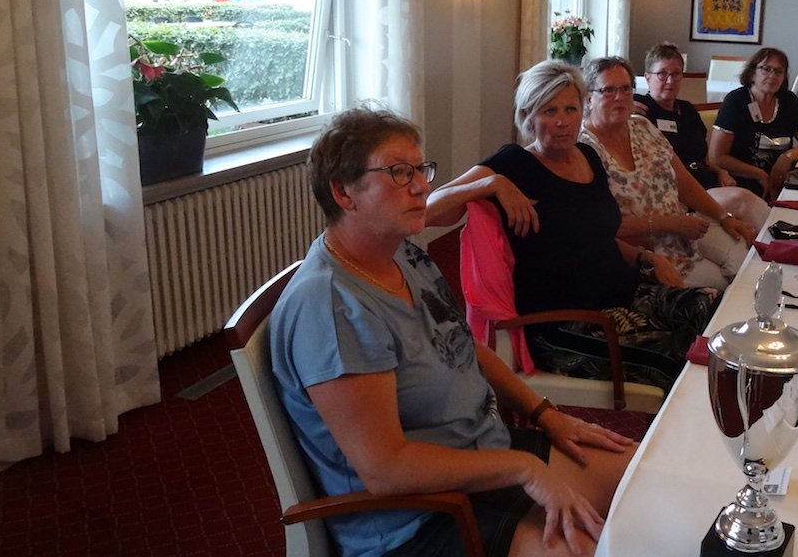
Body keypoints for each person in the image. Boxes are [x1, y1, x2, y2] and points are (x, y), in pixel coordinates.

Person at [268, 103, 636, 557]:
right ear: (344, 193)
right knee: (594, 548)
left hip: (480, 450)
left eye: (420, 169)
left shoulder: (401, 252)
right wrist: (523, 468)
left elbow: (462, 344)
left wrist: (545, 413)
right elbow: (387, 470)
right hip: (416, 517)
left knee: (641, 469)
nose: (422, 186)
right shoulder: (332, 308)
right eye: (399, 172)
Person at [427, 60, 720, 392]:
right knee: (679, 363)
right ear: (527, 116)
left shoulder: (588, 155)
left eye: (571, 109)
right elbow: (428, 211)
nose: (563, 121)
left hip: (625, 296)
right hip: (566, 324)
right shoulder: (513, 164)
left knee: (713, 310)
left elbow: (596, 235)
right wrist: (492, 183)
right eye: (549, 111)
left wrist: (645, 258)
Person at [578, 55, 758, 291]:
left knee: (748, 259)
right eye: (608, 90)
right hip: (644, 248)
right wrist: (669, 224)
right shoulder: (583, 149)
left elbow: (683, 181)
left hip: (684, 229)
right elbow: (596, 225)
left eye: (625, 88)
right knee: (721, 287)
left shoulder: (643, 126)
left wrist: (724, 217)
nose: (619, 97)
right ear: (589, 98)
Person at [709, 47, 798, 200]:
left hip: (781, 181)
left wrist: (787, 157)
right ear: (752, 73)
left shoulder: (788, 100)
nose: (772, 75)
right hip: (741, 183)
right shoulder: (736, 101)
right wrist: (759, 174)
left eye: (779, 71)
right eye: (766, 69)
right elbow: (717, 156)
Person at [632, 42, 733, 189]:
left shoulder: (688, 110)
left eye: (676, 74)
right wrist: (621, 108)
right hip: (669, 185)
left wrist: (720, 172)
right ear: (648, 78)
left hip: (702, 179)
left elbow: (703, 158)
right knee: (740, 199)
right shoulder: (639, 107)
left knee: (740, 196)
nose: (670, 81)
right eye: (662, 74)